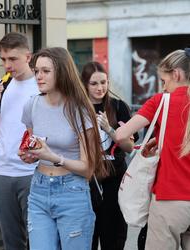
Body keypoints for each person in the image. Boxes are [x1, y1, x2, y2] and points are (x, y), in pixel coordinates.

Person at [19, 47, 108, 250]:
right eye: (36, 71)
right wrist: (29, 155)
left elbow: (87, 168)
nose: (38, 76)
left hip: (72, 191)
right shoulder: (32, 105)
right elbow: (33, 145)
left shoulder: (80, 109)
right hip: (39, 189)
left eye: (45, 71)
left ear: (62, 72)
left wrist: (53, 156)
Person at [116, 49, 190, 250]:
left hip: (170, 199)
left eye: (164, 81)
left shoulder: (161, 101)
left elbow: (122, 135)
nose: (163, 87)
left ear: (177, 74)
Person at [0, 32, 39, 250]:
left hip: (32, 171)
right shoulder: (2, 85)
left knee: (37, 237)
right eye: (4, 60)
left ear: (28, 57)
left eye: (13, 59)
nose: (8, 65)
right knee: (11, 240)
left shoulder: (40, 85)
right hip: (1, 171)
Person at [81, 61, 138, 250]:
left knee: (113, 239)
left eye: (103, 82)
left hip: (115, 181)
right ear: (84, 84)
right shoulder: (77, 108)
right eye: (94, 83)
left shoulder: (118, 106)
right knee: (87, 238)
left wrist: (109, 129)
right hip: (87, 183)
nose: (100, 88)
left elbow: (130, 147)